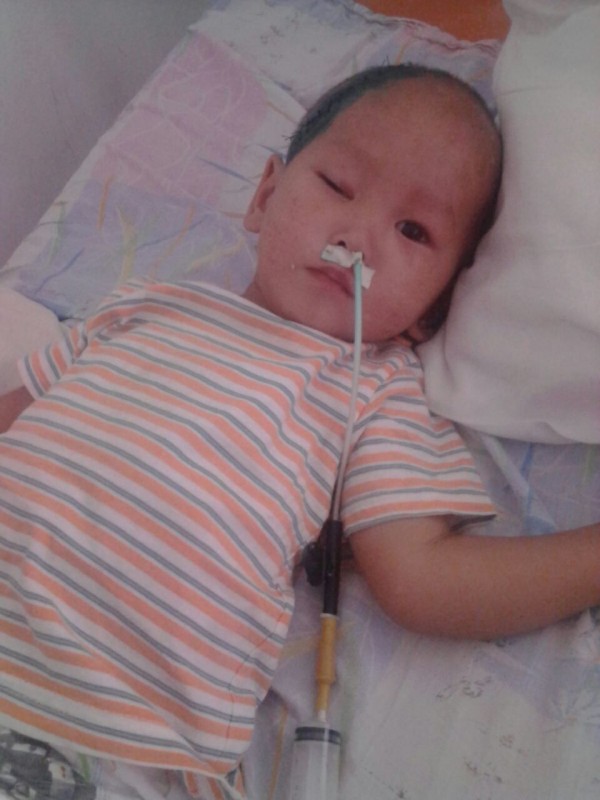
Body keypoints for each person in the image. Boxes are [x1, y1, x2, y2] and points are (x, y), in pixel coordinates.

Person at [0, 64, 598, 799]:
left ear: (432, 311)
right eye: (338, 186)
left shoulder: (370, 392)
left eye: (413, 231)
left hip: (111, 734)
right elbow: (17, 414)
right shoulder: (144, 306)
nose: (360, 236)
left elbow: (424, 578)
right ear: (263, 196)